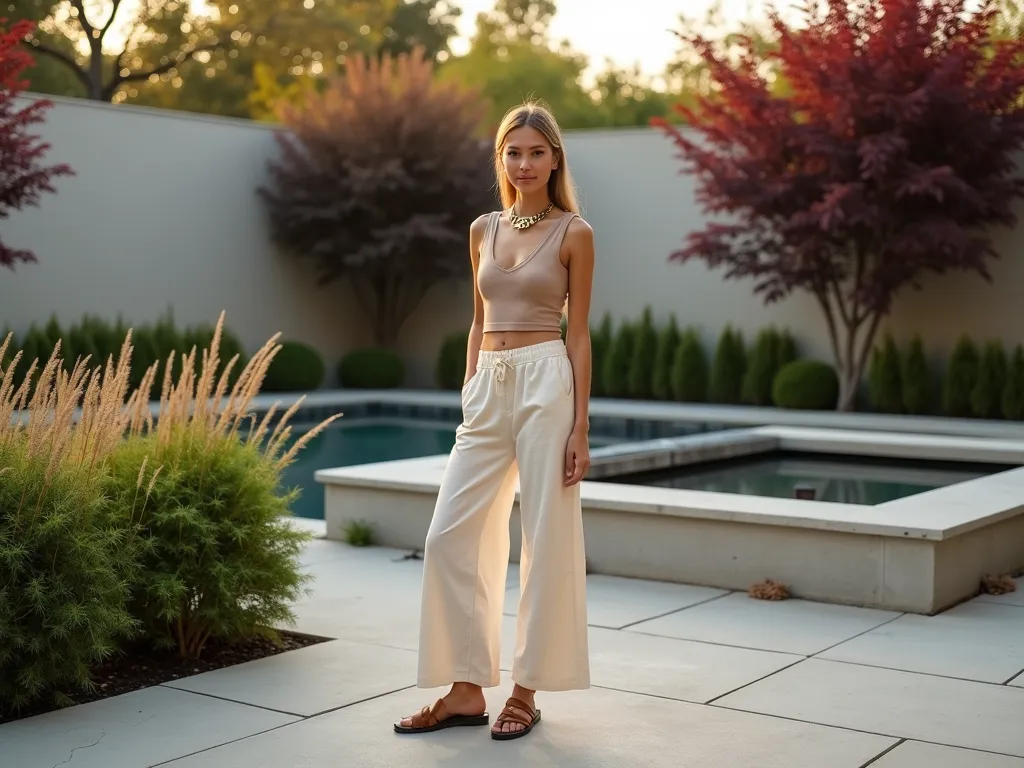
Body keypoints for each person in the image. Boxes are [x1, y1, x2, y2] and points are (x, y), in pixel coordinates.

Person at [394, 101, 595, 741]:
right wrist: (470, 383)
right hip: (488, 384)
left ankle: (526, 691)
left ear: (555, 158)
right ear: (501, 159)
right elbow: (478, 318)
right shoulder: (482, 229)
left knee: (545, 537)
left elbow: (581, 335)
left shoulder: (574, 233)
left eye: (537, 152)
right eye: (514, 152)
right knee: (450, 535)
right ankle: (463, 690)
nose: (525, 163)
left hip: (545, 381)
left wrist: (580, 428)